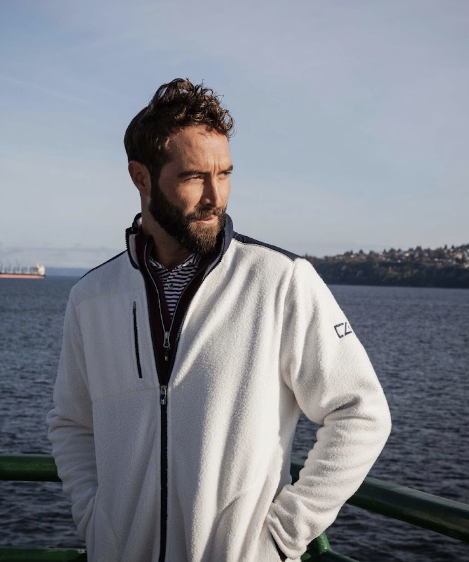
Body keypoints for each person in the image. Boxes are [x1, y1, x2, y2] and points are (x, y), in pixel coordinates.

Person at [47, 78, 391, 561]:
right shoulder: (91, 298)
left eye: (224, 174)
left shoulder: (280, 281)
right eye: (193, 177)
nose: (215, 196)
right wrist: (96, 520)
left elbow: (361, 412)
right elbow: (71, 424)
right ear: (141, 177)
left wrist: (277, 539)